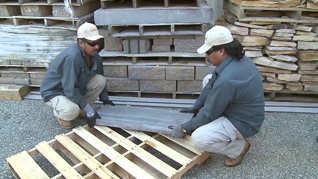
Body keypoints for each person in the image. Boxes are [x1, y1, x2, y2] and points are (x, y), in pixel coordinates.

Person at [170, 25, 265, 167]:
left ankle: (239, 148)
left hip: (243, 122)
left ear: (221, 51)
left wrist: (185, 127)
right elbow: (212, 82)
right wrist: (196, 106)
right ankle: (219, 127)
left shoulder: (228, 79)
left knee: (199, 138)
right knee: (208, 78)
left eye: (208, 52)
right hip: (241, 108)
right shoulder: (236, 60)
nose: (207, 57)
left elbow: (209, 114)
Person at [40, 22, 115, 129]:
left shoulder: (94, 55)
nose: (97, 46)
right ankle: (62, 115)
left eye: (98, 42)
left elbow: (100, 75)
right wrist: (89, 109)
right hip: (56, 91)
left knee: (100, 80)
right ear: (81, 42)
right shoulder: (73, 58)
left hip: (73, 86)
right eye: (92, 44)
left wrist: (105, 99)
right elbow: (69, 89)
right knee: (71, 111)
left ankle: (81, 109)